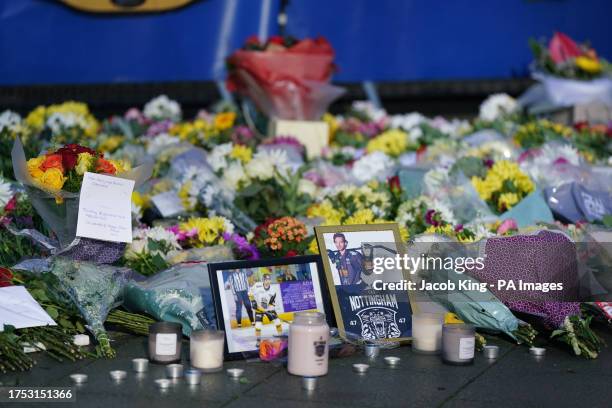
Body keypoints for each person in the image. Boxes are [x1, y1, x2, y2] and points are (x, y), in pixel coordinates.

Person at [249, 273, 283, 348]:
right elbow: (250, 293)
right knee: (258, 325)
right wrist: (253, 301)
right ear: (263, 280)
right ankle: (258, 340)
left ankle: (281, 338)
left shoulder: (273, 290)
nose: (267, 281)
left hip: (268, 309)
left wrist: (269, 311)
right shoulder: (257, 285)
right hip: (258, 308)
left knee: (277, 322)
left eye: (269, 280)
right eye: (266, 280)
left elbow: (272, 303)